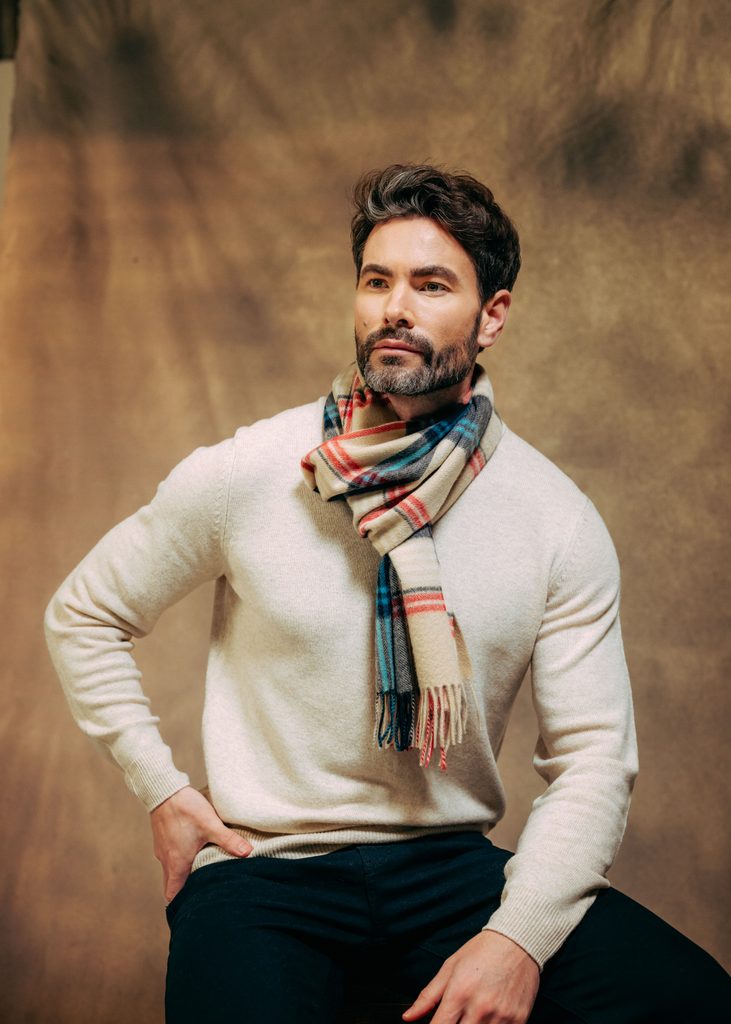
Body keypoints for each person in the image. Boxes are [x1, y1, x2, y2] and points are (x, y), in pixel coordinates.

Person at [45, 164, 729, 1023]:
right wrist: (159, 785)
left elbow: (592, 759)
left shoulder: (554, 517)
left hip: (447, 869)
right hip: (266, 869)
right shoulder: (251, 471)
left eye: (430, 285)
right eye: (376, 281)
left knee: (693, 1004)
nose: (393, 308)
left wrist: (516, 939)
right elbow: (84, 614)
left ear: (492, 316)